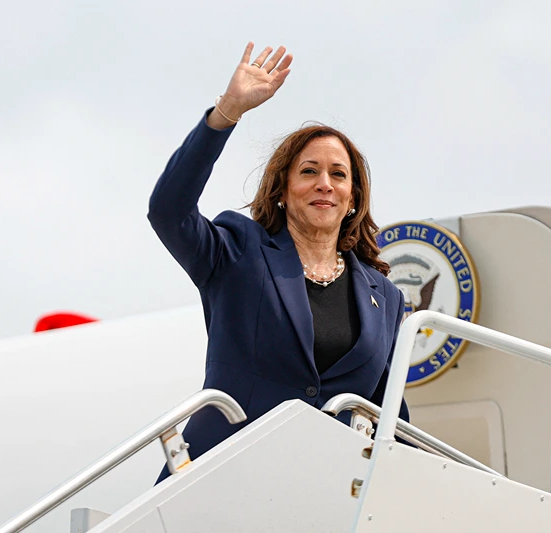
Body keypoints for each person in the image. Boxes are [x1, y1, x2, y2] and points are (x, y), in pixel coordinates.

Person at [148, 42, 409, 484]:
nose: (324, 184)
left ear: (353, 200)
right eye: (308, 171)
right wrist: (226, 112)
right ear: (283, 191)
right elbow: (169, 210)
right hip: (219, 481)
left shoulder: (385, 297)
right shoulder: (237, 250)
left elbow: (391, 417)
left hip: (326, 495)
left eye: (338, 174)